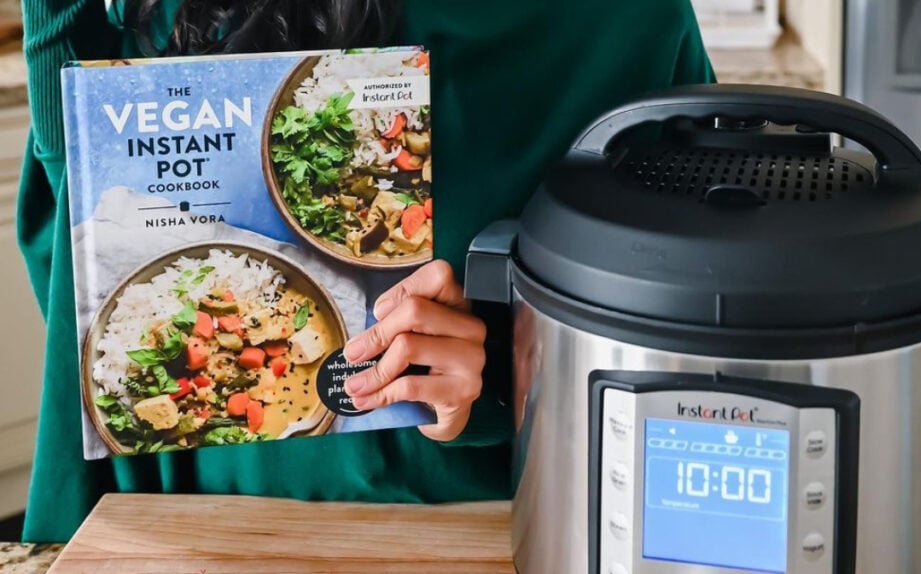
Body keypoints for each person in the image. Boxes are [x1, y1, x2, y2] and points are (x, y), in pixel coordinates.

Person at [17, 0, 715, 542]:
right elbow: (83, 264)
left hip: (492, 527)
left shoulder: (628, 21)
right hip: (218, 528)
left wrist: (498, 381)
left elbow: (695, 346)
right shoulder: (185, 12)